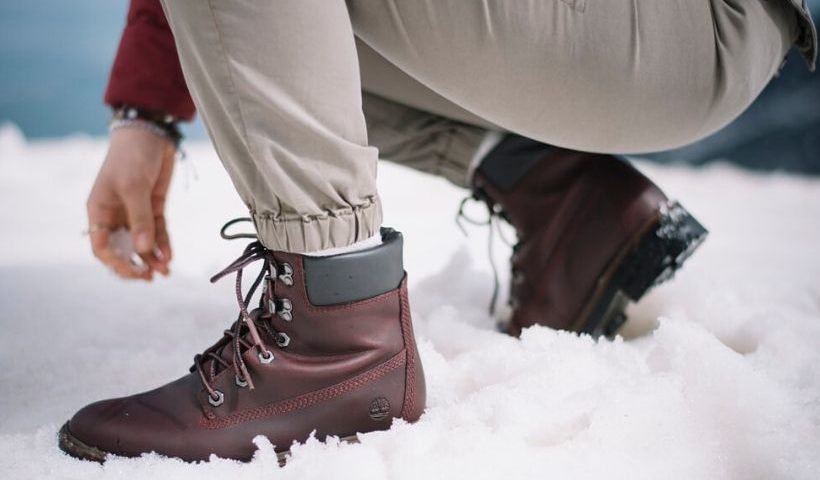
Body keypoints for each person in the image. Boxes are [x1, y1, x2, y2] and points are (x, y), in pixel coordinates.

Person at [59, 0, 815, 463]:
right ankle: (560, 198)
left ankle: (333, 340)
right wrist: (147, 110)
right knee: (272, 40)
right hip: (695, 31)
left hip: (677, 21)